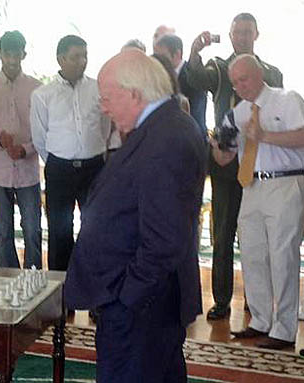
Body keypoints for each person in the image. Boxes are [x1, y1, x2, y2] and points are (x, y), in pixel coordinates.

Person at [64, 50, 206, 382]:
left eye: (107, 97)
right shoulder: (163, 127)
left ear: (134, 93)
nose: (103, 107)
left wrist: (127, 297)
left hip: (142, 310)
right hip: (144, 307)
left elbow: (164, 239)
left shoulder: (167, 138)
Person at [186, 12, 283, 320]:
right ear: (230, 36)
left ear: (256, 34)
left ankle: (256, 302)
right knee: (223, 235)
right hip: (226, 163)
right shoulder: (218, 68)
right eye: (237, 32)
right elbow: (195, 79)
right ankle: (222, 300)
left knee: (259, 237)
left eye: (246, 32)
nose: (241, 37)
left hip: (262, 164)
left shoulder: (273, 73)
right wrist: (194, 52)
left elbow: (280, 111)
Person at [211, 54, 304, 350]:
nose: (240, 86)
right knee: (251, 254)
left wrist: (265, 135)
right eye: (235, 82)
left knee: (282, 256)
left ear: (259, 73)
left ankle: (285, 328)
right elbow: (224, 157)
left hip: (285, 181)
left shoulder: (287, 99)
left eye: (244, 79)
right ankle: (261, 320)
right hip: (250, 185)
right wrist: (218, 147)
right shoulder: (236, 113)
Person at [31, 35, 113, 271]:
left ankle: (96, 296)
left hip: (94, 168)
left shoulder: (98, 88)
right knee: (59, 232)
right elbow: (40, 137)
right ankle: (61, 299)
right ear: (61, 59)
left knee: (96, 229)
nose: (82, 61)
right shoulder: (43, 95)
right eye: (76, 56)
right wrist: (60, 159)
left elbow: (105, 126)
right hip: (60, 170)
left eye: (85, 55)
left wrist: (91, 150)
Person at [0, 30, 43, 269]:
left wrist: (26, 149)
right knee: (2, 233)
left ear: (24, 54)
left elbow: (44, 133)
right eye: (8, 54)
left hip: (28, 171)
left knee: (32, 230)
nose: (12, 60)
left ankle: (34, 284)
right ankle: (7, 284)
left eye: (17, 54)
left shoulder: (37, 88)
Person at [154, 34, 207, 141]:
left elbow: (196, 115)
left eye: (162, 56)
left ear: (177, 54)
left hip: (192, 140)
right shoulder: (159, 78)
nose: (157, 61)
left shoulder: (192, 77)